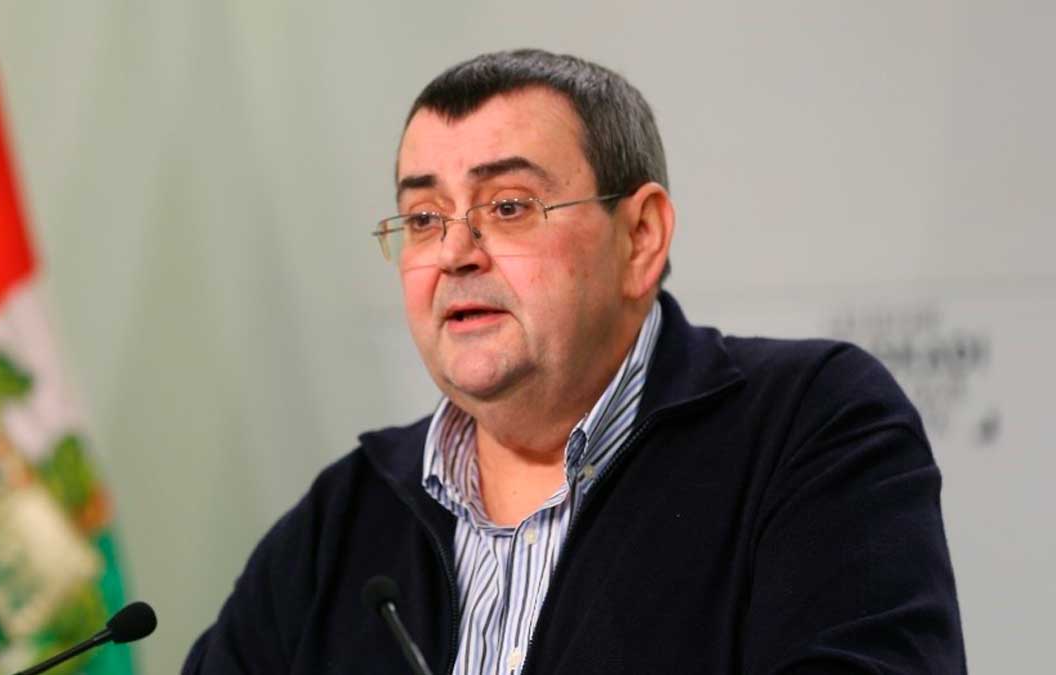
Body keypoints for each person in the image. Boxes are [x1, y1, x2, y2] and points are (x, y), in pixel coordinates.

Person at [183, 49, 965, 674]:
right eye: (422, 218)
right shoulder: (347, 515)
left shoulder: (811, 425)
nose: (455, 251)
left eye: (509, 206)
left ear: (641, 238)